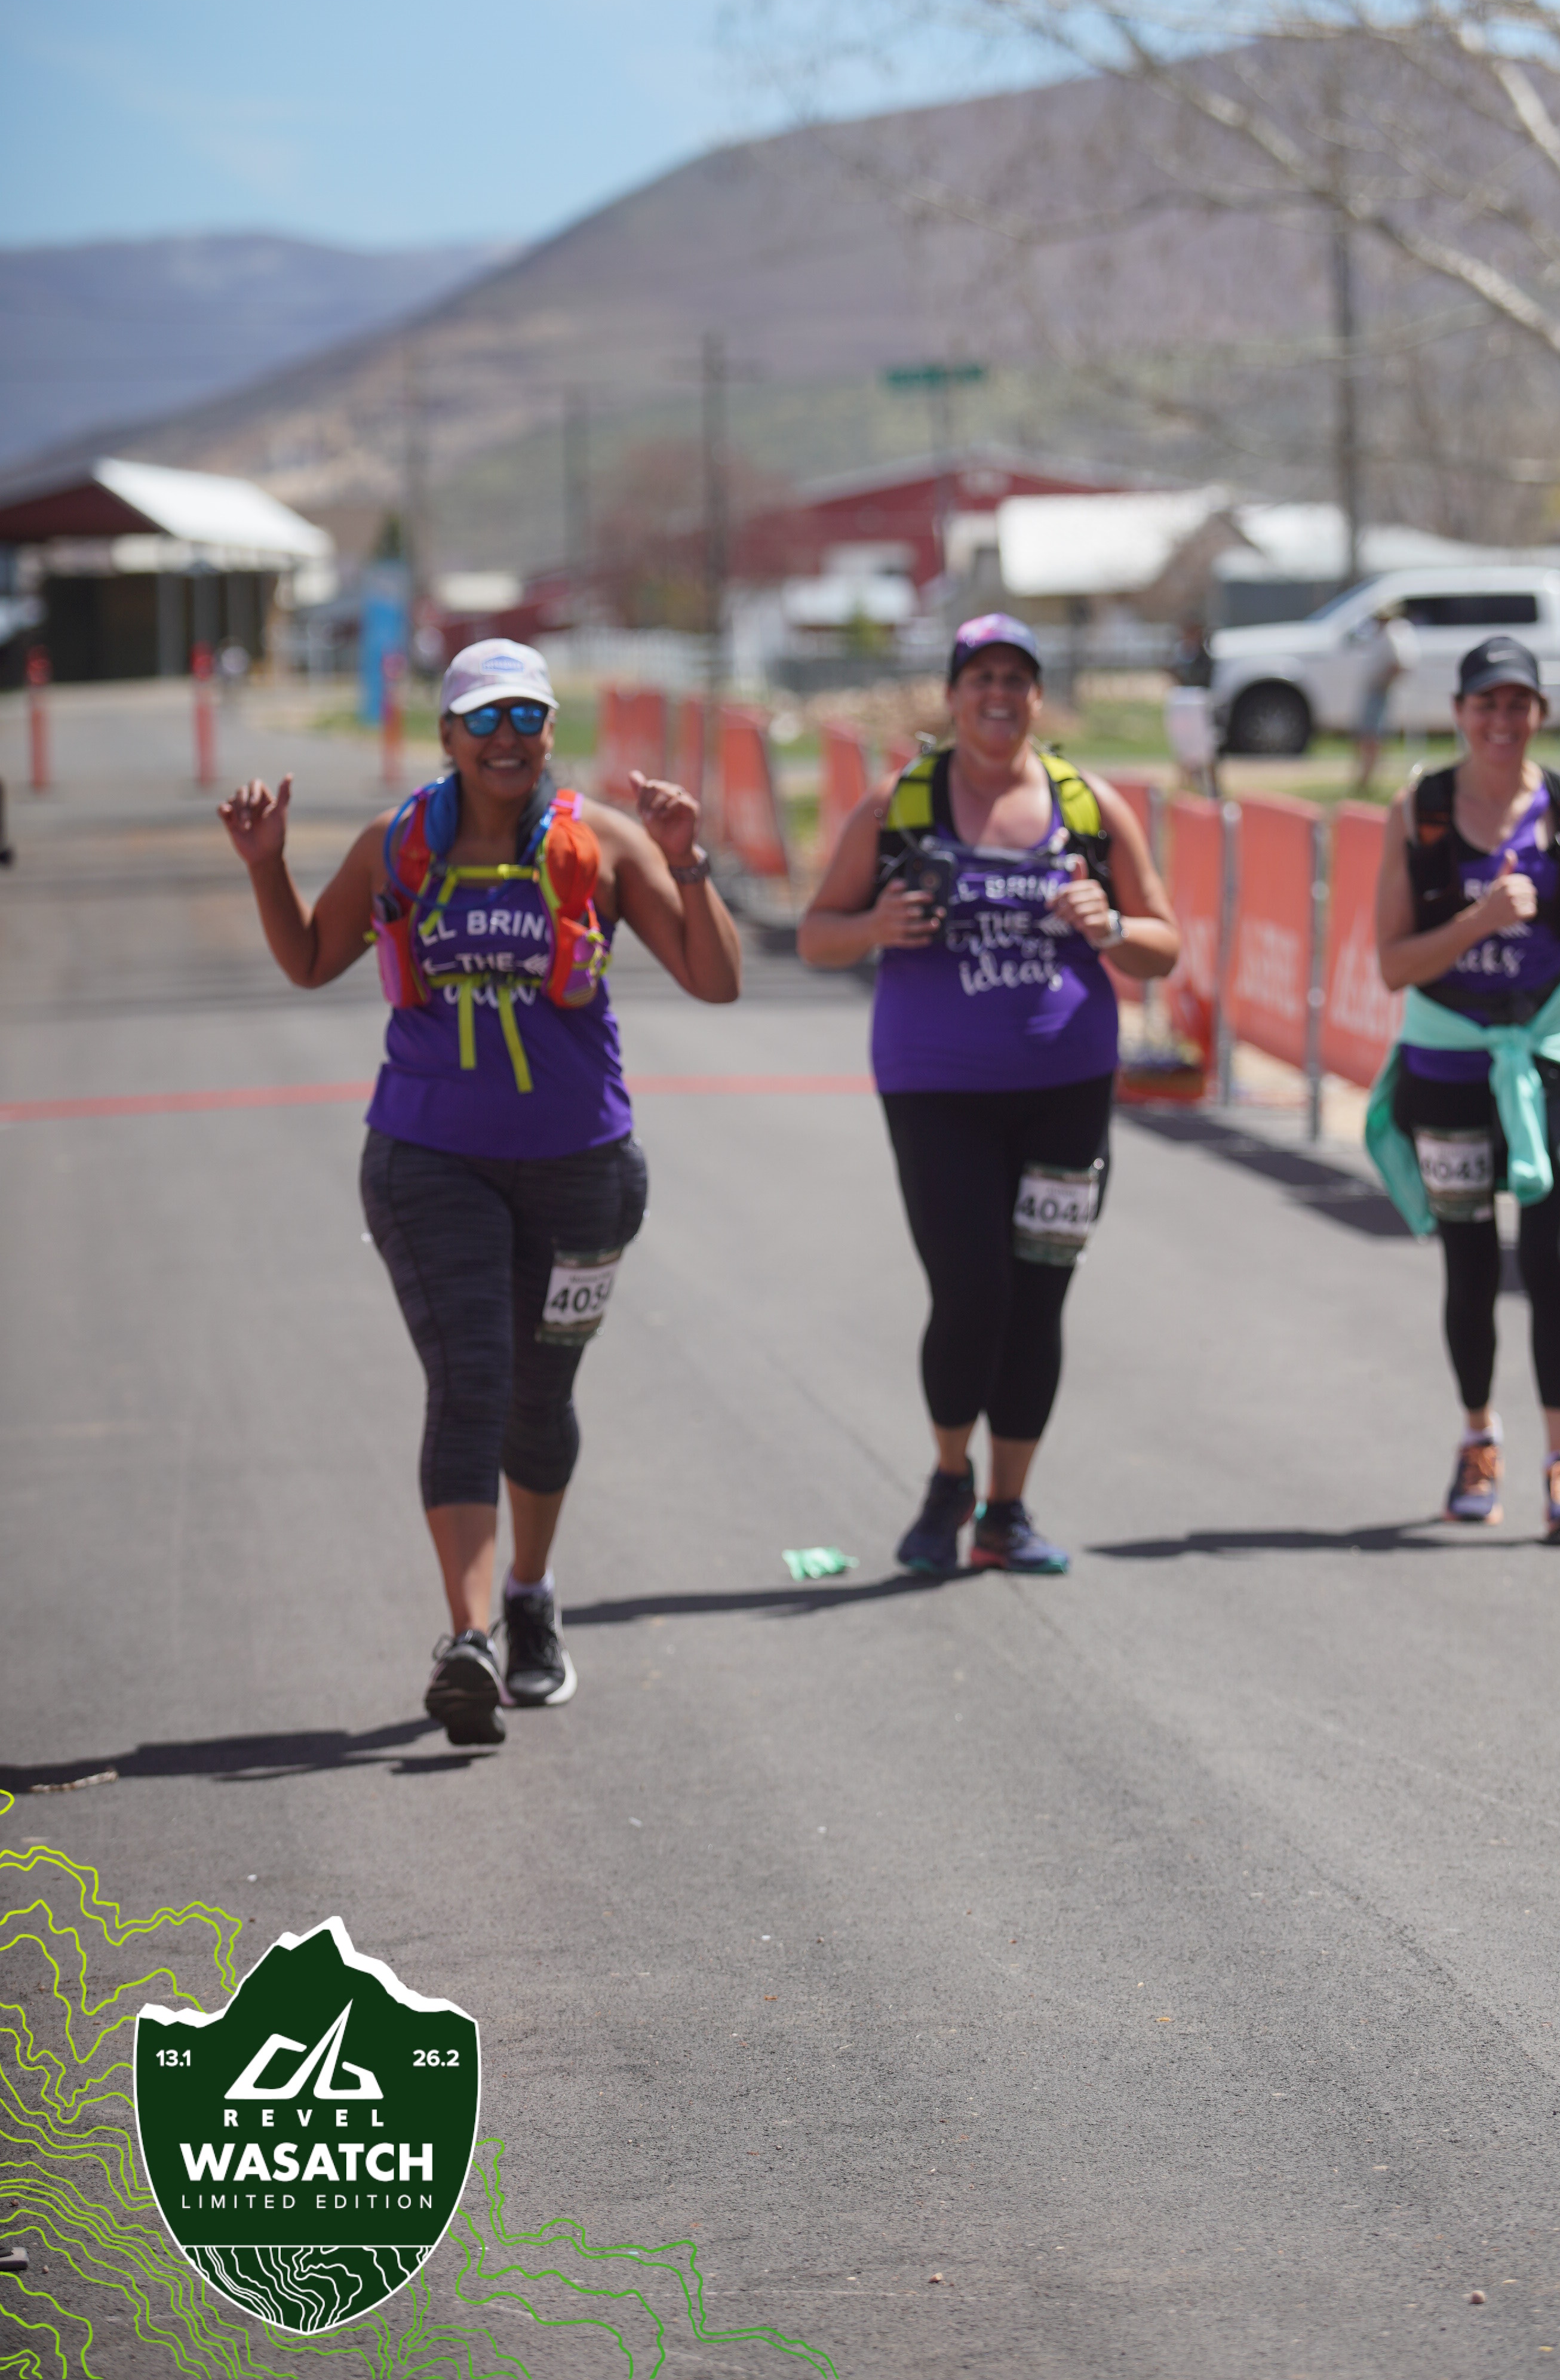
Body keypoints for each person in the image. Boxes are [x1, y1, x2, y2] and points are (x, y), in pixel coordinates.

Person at [217, 637, 742, 1744]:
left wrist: (688, 860)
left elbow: (715, 980)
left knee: (538, 1401)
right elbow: (311, 959)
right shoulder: (396, 843)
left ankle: (529, 1595)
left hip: (583, 1168)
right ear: (449, 735)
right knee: (471, 1378)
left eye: (527, 717)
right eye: (485, 719)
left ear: (549, 731)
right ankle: (467, 1641)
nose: (507, 739)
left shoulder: (604, 841)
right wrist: (266, 864)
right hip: (428, 1158)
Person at [799, 613, 1179, 1575]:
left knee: (1040, 1296)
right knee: (971, 1291)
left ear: (1038, 697)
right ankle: (948, 1478)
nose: (999, 697)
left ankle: (1006, 1512)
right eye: (982, 679)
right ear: (953, 696)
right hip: (938, 1090)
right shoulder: (900, 803)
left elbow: (1164, 945)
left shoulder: (1088, 805)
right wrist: (874, 926)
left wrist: (1112, 925)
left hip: (1068, 1091)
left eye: (1017, 680)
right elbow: (816, 934)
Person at [1363, 635, 1560, 1540]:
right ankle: (1478, 1437)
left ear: (1539, 712)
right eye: (1486, 704)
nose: (1502, 720)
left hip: (1548, 1060)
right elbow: (1394, 964)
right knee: (1469, 1265)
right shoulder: (1420, 811)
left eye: (1518, 704)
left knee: (1548, 1258)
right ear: (1459, 713)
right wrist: (1479, 920)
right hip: (1449, 1066)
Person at [1348, 601, 1418, 797]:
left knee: (1372, 736)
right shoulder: (1381, 634)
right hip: (1374, 690)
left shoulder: (1393, 633)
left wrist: (1384, 682)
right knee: (1365, 735)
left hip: (1380, 691)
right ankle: (1363, 778)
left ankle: (1368, 779)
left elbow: (1400, 663)